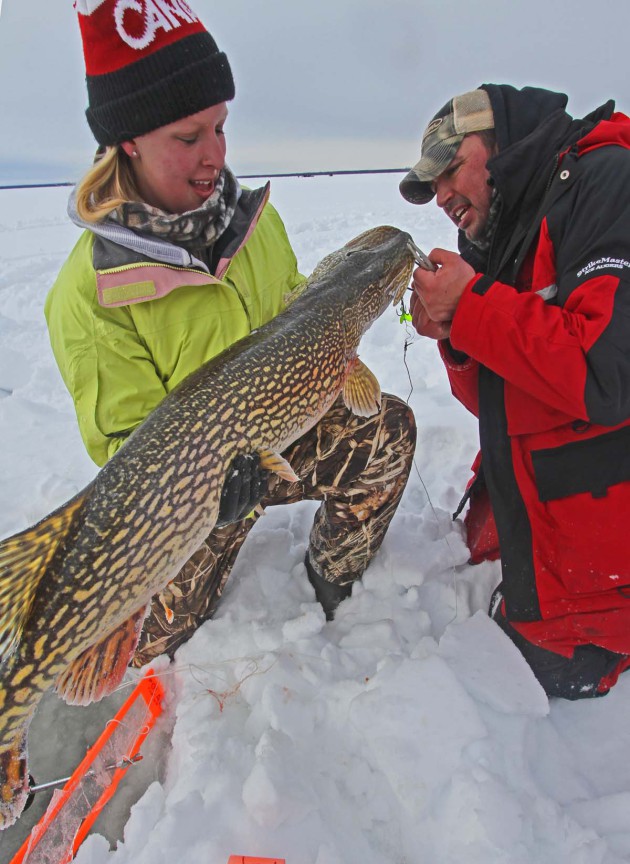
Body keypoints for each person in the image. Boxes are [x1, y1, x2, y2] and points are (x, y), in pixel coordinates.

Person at [45, 0, 416, 667]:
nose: (216, 154)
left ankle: (335, 579)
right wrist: (213, 497)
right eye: (189, 137)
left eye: (221, 127)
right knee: (147, 646)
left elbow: (299, 314)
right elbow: (127, 452)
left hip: (281, 428)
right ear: (127, 139)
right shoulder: (87, 295)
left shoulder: (253, 222)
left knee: (388, 429)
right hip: (189, 494)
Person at [400, 85, 630, 700]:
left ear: (500, 140)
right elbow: (500, 398)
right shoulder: (503, 233)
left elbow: (607, 374)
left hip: (607, 527)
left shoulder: (606, 182)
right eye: (433, 187)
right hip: (549, 509)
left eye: (452, 168)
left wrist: (473, 307)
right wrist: (457, 334)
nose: (444, 196)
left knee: (521, 675)